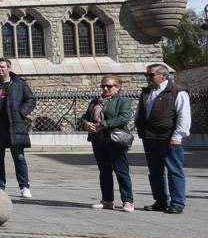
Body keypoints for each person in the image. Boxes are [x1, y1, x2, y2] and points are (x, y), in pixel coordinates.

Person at [0, 57, 36, 198]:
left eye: (2, 67)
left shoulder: (19, 83)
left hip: (13, 126)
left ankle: (24, 186)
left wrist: (21, 113)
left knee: (19, 157)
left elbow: (30, 99)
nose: (0, 69)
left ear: (8, 68)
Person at [136, 64, 190, 214]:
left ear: (164, 76)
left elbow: (183, 116)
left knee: (174, 170)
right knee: (155, 172)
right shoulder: (147, 92)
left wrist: (178, 135)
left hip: (168, 138)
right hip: (150, 137)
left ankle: (177, 202)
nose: (148, 78)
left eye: (151, 75)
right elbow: (141, 112)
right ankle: (160, 201)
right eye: (146, 75)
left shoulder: (177, 92)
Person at [80, 74, 135, 212]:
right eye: (103, 86)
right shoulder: (95, 102)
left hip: (115, 140)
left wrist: (103, 124)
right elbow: (84, 117)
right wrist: (86, 124)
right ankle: (107, 200)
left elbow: (124, 118)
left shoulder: (123, 101)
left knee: (121, 171)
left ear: (118, 87)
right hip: (98, 141)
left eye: (109, 86)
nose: (105, 88)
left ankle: (128, 201)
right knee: (104, 171)